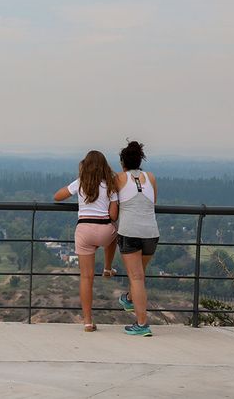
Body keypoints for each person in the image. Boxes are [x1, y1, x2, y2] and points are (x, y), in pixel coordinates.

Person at [54, 150, 118, 332]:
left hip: (83, 230)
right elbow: (113, 215)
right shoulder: (111, 185)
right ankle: (107, 267)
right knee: (115, 234)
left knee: (86, 278)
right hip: (105, 229)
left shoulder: (81, 183)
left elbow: (57, 196)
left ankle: (88, 321)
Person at [116, 140, 159, 337]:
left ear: (122, 162)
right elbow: (153, 202)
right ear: (140, 160)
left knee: (136, 277)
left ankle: (142, 324)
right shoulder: (150, 177)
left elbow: (114, 208)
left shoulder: (118, 178)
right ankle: (128, 299)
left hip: (130, 231)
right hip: (151, 232)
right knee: (139, 275)